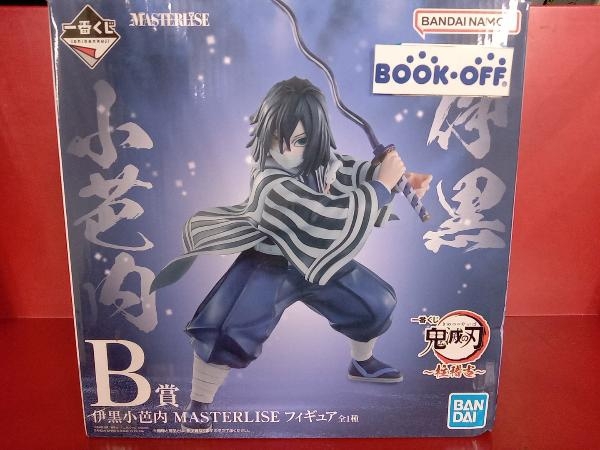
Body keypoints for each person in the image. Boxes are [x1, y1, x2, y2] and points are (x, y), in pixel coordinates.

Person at [152, 77, 431, 432]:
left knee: (373, 303)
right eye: (277, 138)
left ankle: (362, 362)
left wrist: (389, 175)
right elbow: (324, 216)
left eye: (301, 141)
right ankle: (199, 402)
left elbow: (346, 170)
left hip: (317, 261)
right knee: (226, 329)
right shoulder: (270, 184)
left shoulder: (319, 161)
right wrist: (382, 186)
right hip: (269, 263)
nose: (287, 150)